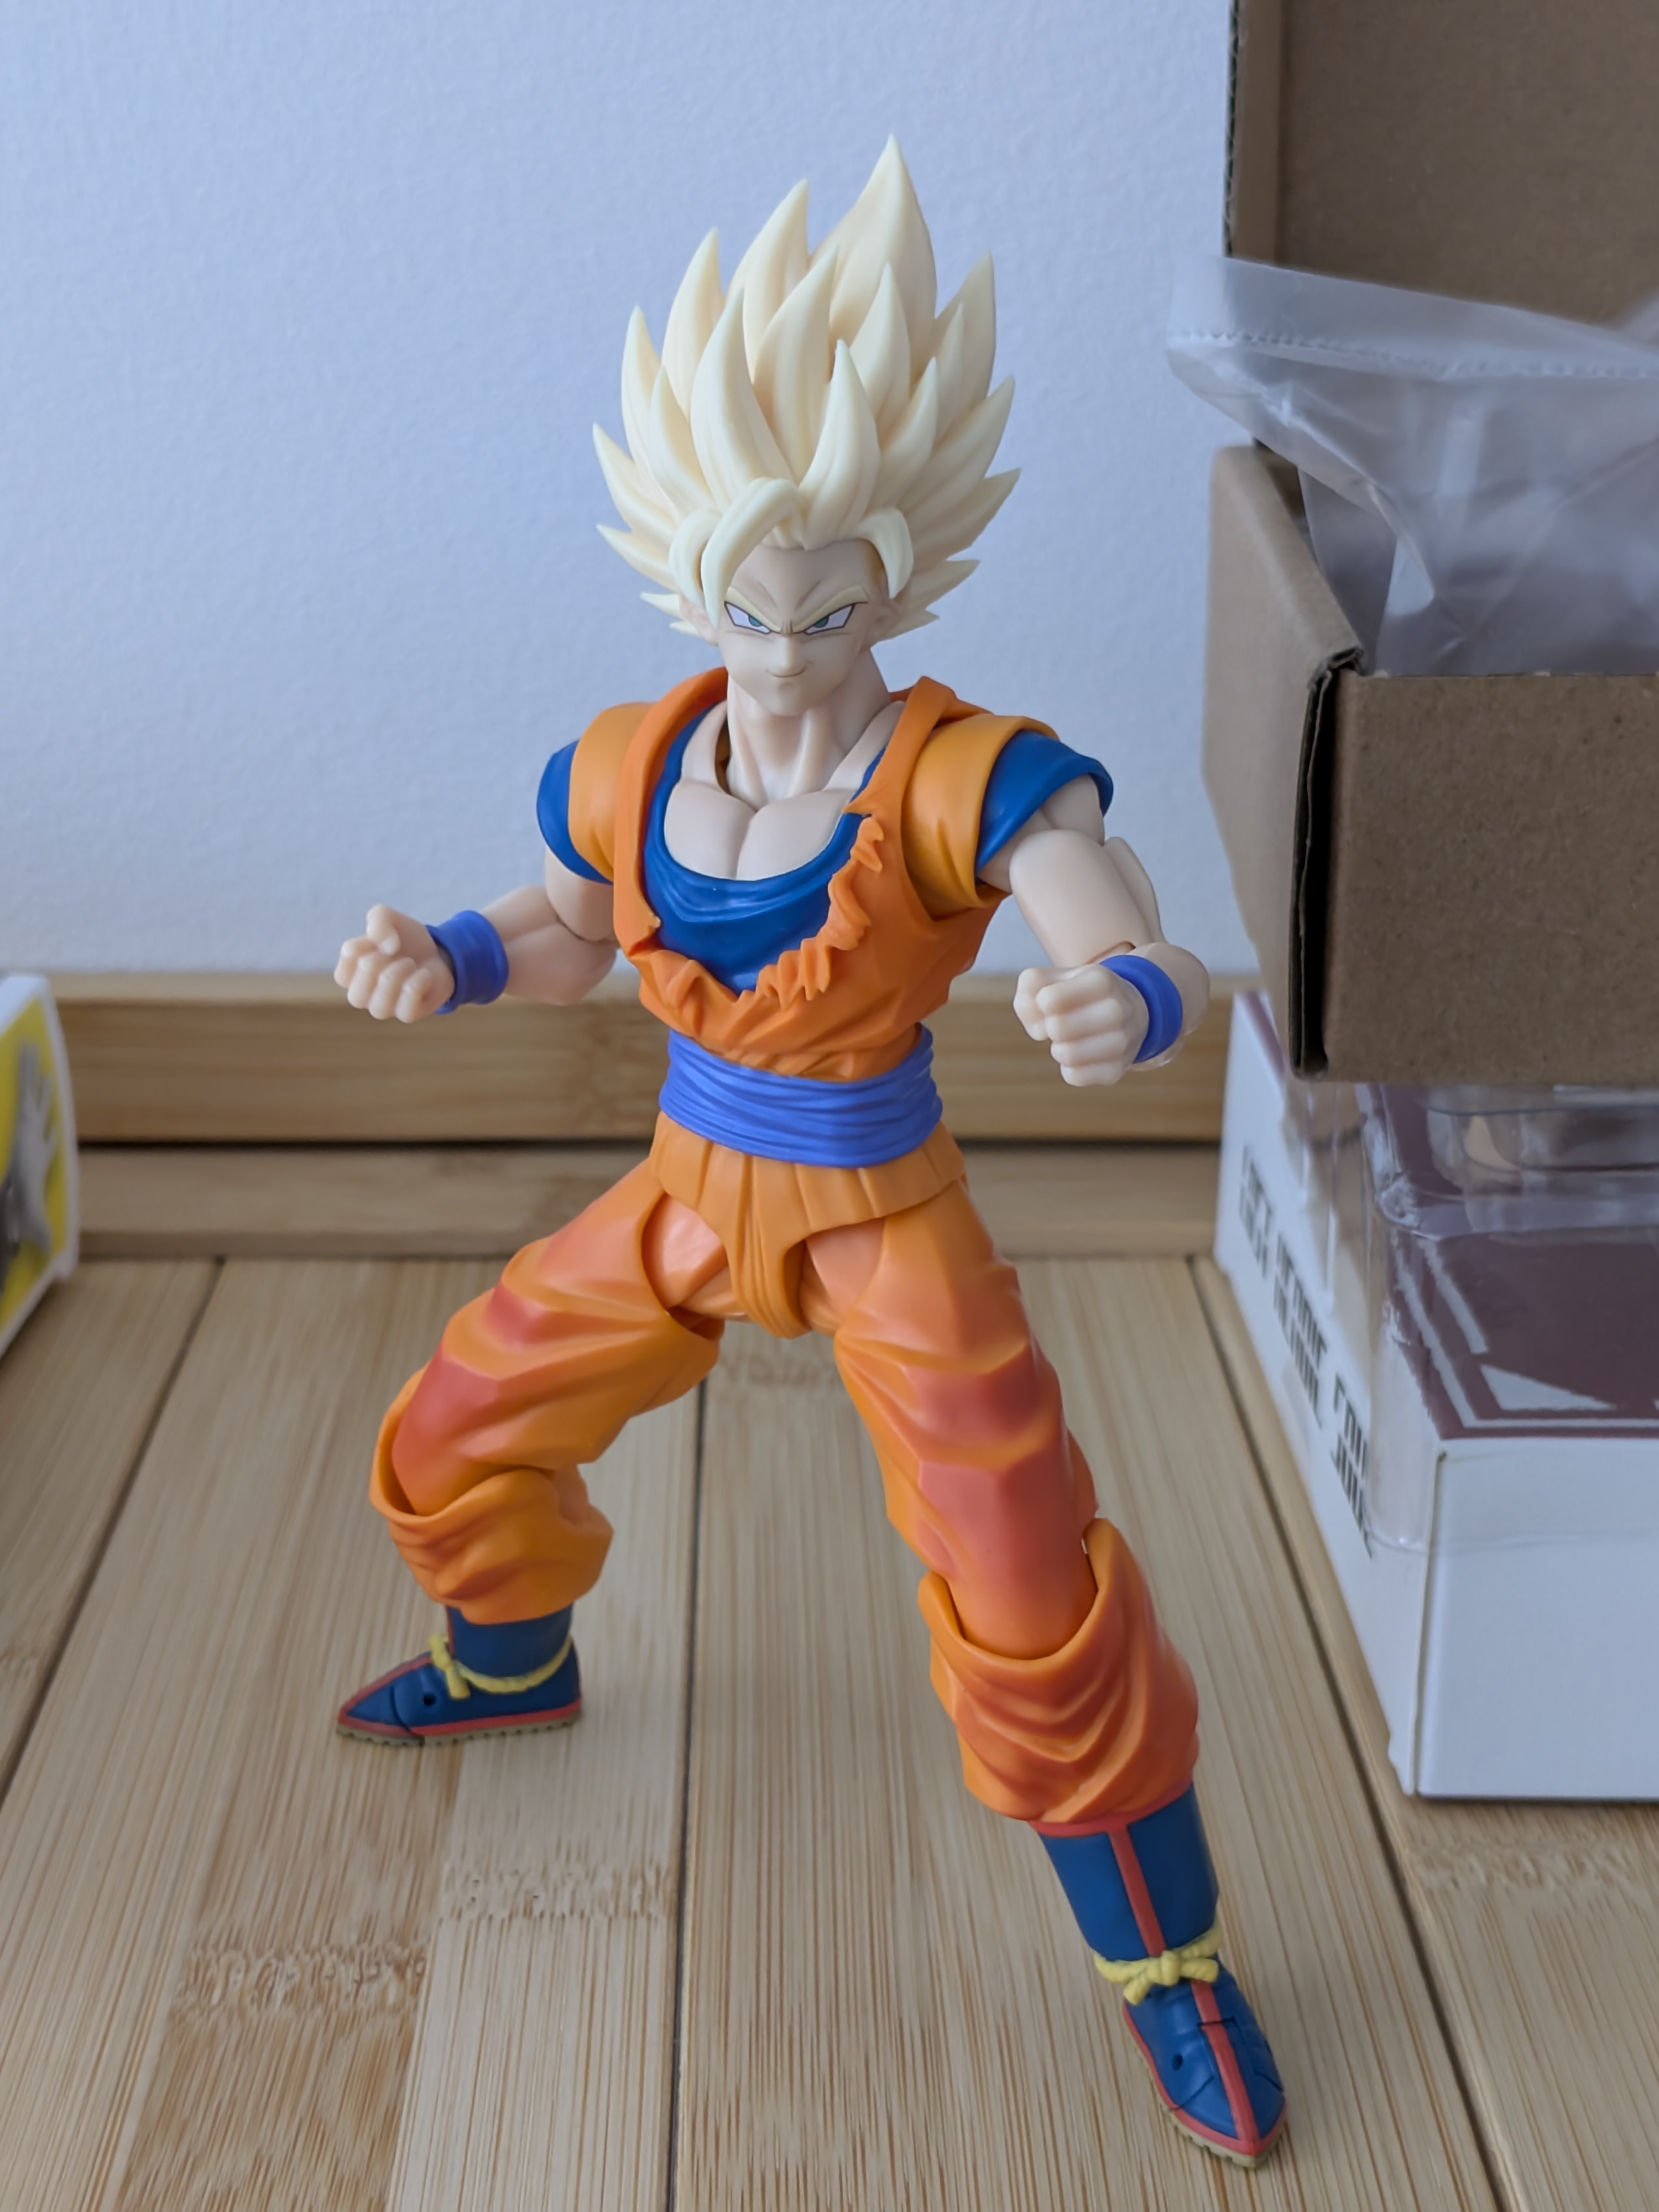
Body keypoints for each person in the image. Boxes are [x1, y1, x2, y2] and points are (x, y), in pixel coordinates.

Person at [334, 143, 1285, 2168]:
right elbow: (574, 924)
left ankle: (1171, 1963)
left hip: (881, 1212)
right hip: (685, 1190)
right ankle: (510, 1662)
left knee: (1027, 1583)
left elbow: (1101, 900)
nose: (780, 649)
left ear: (901, 576)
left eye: (827, 606)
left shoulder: (957, 771)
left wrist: (1130, 992)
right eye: (744, 605)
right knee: (458, 1424)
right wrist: (452, 955)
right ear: (684, 572)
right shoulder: (635, 758)